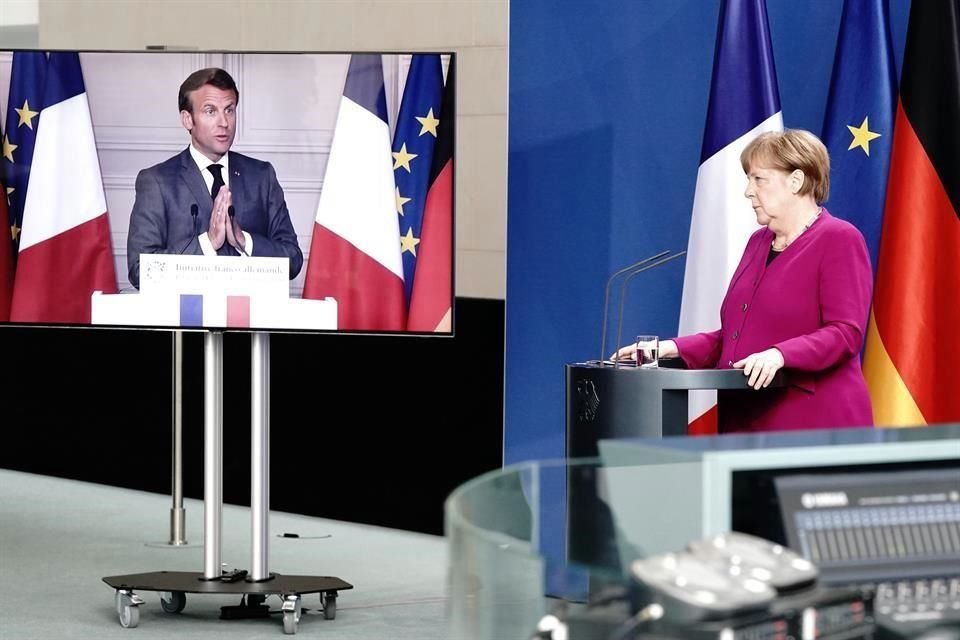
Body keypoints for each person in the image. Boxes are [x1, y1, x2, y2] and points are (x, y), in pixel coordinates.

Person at [616, 129, 874, 433]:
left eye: (758, 179)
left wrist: (780, 355)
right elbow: (734, 338)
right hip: (746, 419)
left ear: (796, 181)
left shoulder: (839, 239)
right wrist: (668, 349)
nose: (748, 192)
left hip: (812, 424)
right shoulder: (758, 242)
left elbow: (846, 333)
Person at [126, 67, 303, 288]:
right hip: (186, 318)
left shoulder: (262, 176)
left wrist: (244, 240)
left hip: (248, 316)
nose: (224, 123)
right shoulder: (157, 181)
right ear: (187, 119)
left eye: (229, 110)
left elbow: (293, 259)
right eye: (211, 111)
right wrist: (207, 243)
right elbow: (139, 270)